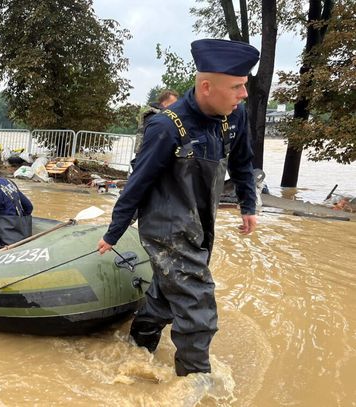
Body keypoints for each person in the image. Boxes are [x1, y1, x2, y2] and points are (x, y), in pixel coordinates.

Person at [97, 38, 260, 376]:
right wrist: (114, 232)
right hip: (165, 229)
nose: (244, 94)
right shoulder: (166, 126)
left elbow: (243, 162)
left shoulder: (234, 116)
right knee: (198, 304)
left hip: (200, 223)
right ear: (206, 87)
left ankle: (137, 348)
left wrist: (249, 204)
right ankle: (194, 382)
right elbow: (137, 182)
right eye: (237, 86)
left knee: (166, 294)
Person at [134, 90, 179, 156]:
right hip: (146, 156)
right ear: (164, 102)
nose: (176, 106)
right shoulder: (152, 115)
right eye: (173, 103)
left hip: (153, 155)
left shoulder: (163, 115)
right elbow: (155, 138)